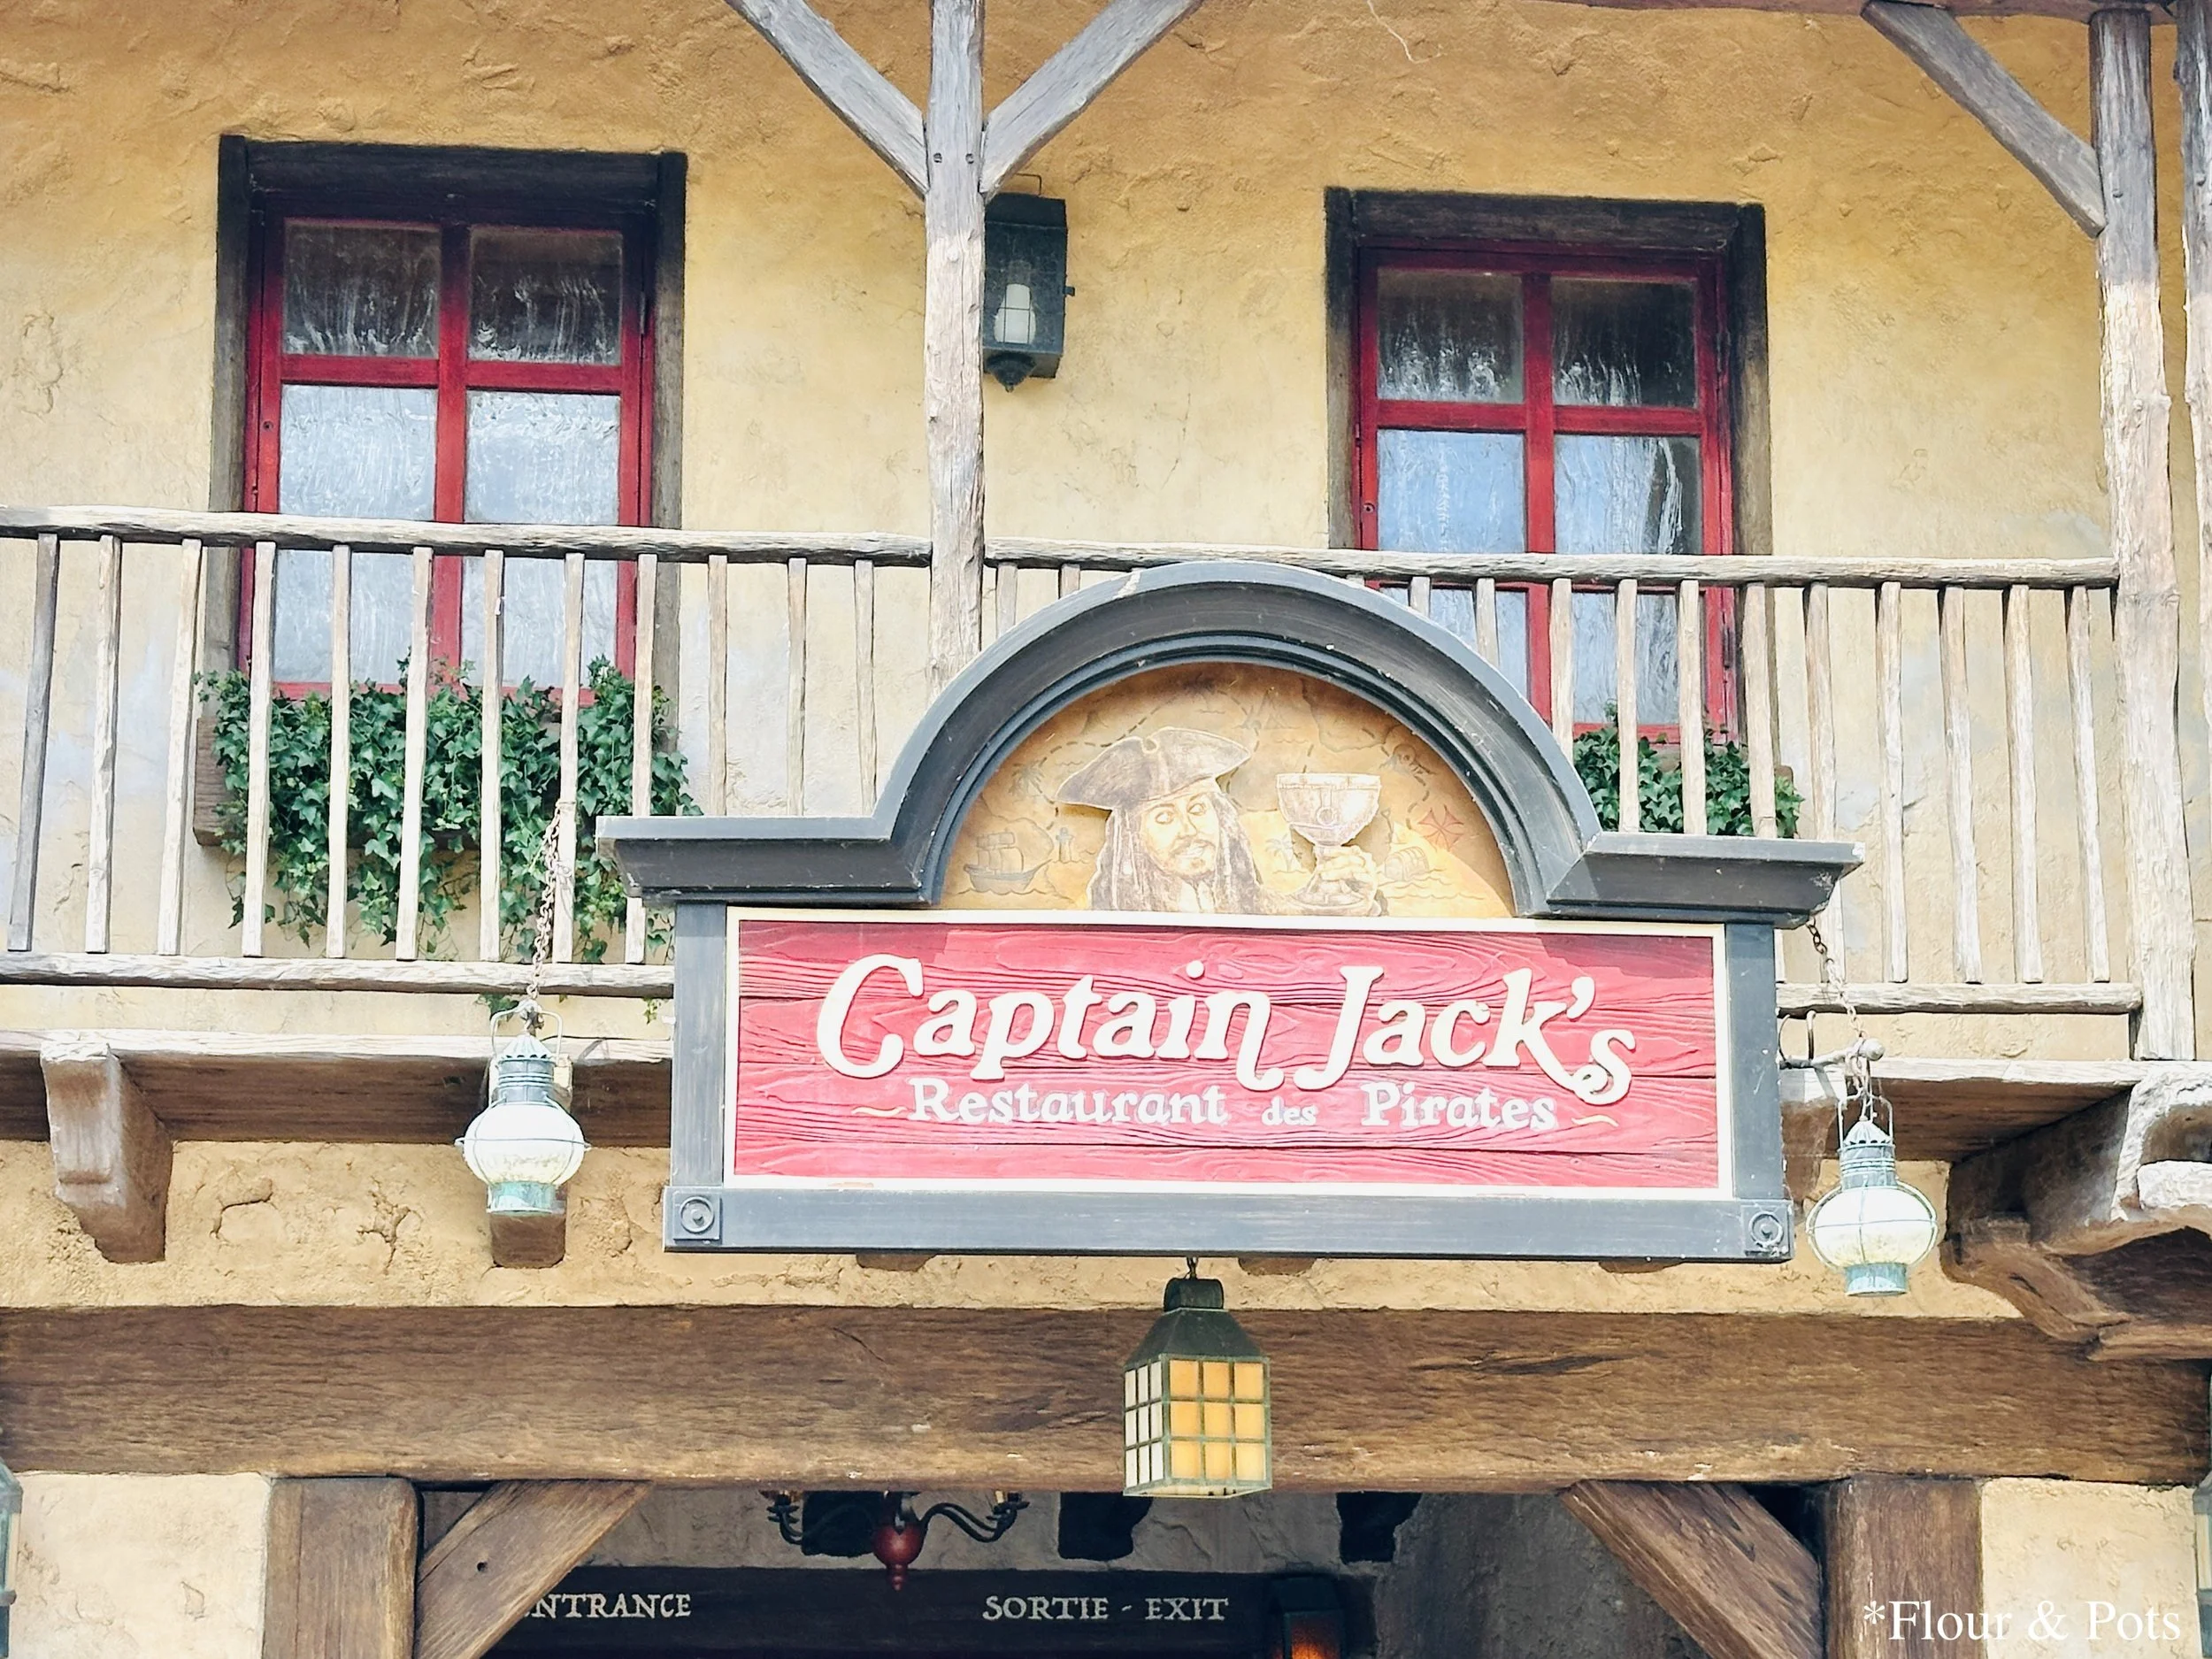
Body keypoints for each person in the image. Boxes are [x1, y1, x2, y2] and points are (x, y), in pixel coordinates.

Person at [1057, 726, 1378, 914]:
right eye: (1164, 817)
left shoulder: (1257, 906)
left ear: (1223, 820)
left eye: (1198, 809)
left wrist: (1339, 896)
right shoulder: (1108, 929)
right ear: (1133, 840)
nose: (1189, 830)